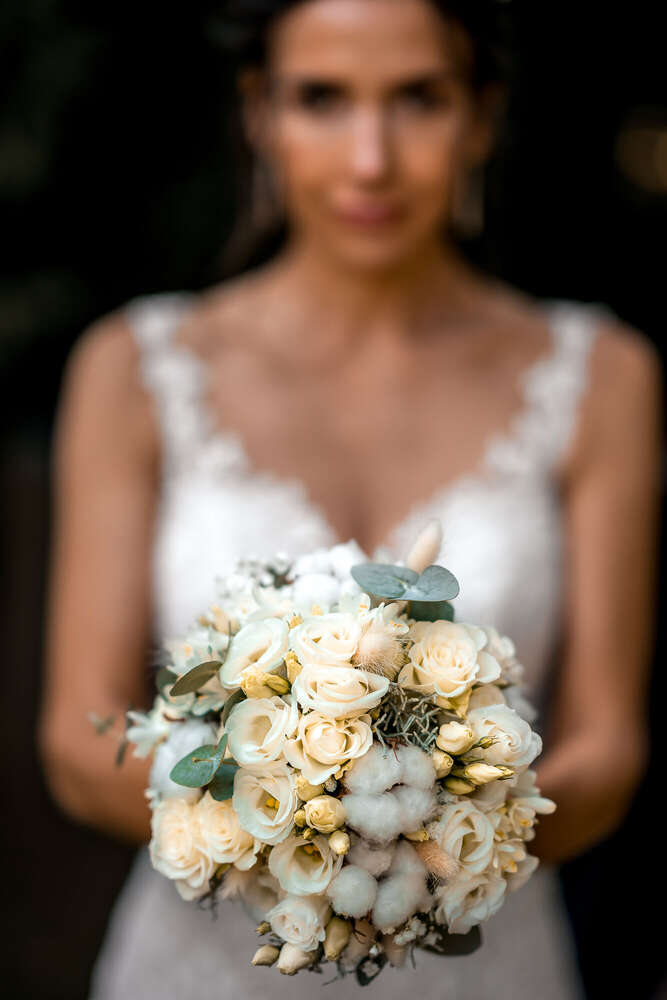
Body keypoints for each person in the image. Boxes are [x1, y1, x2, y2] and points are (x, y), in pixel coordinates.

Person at [38, 1, 662, 997]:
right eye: (322, 99)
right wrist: (294, 829)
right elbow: (77, 740)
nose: (369, 159)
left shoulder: (602, 376)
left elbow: (606, 748)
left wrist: (439, 838)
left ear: (481, 117)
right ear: (258, 113)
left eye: (417, 99)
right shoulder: (133, 369)